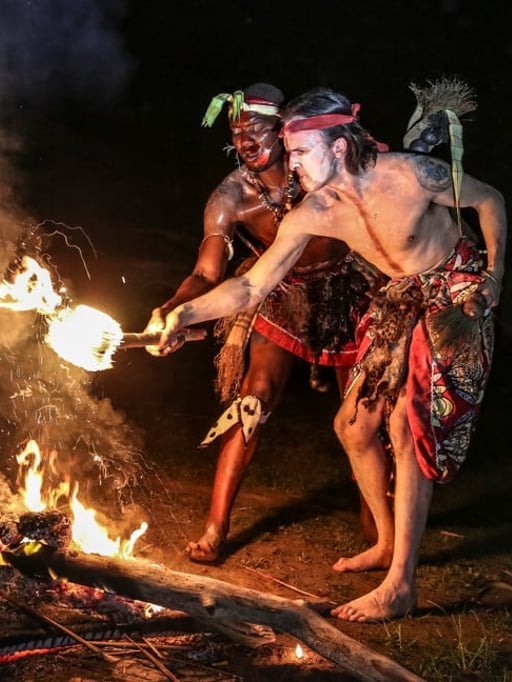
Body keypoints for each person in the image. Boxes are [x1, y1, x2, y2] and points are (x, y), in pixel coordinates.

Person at [155, 86, 507, 622]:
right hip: (399, 296)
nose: (289, 163)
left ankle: (400, 585)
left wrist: (494, 276)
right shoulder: (313, 211)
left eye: (299, 153)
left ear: (338, 148)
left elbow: (489, 199)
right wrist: (186, 313)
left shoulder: (411, 174)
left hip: (454, 290)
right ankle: (387, 543)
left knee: (405, 427)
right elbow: (251, 287)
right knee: (353, 427)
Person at [145, 83, 382, 563]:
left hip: (350, 294)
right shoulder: (230, 197)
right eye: (237, 133)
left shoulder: (324, 170)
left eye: (256, 130)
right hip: (280, 293)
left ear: (283, 129)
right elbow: (205, 274)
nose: (245, 142)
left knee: (361, 418)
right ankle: (215, 527)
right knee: (252, 399)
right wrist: (172, 309)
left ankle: (379, 530)